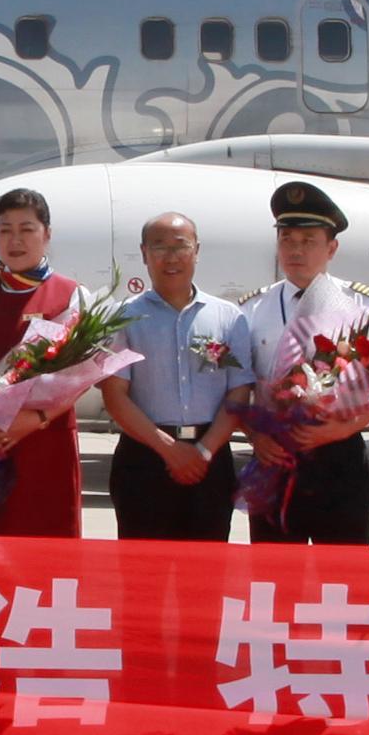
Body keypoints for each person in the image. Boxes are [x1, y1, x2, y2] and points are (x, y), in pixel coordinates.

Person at [224, 182, 369, 545]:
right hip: (275, 454)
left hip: (338, 452)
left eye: (308, 241)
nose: (296, 250)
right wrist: (256, 436)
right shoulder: (254, 307)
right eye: (287, 239)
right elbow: (237, 385)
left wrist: (340, 430)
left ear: (332, 248)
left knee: (343, 569)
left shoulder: (361, 305)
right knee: (276, 570)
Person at [0, 188, 89, 539]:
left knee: (46, 551)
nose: (15, 240)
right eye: (5, 230)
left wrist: (37, 418)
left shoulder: (71, 295)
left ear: (47, 234)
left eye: (26, 229)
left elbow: (81, 375)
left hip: (45, 444)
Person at [102, 214, 243, 543]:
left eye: (180, 247)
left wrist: (203, 451)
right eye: (159, 247)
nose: (171, 257)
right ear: (144, 253)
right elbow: (115, 395)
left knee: (207, 569)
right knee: (143, 569)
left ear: (197, 251)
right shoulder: (122, 318)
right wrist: (168, 449)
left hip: (211, 460)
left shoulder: (228, 317)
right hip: (144, 459)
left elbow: (239, 393)